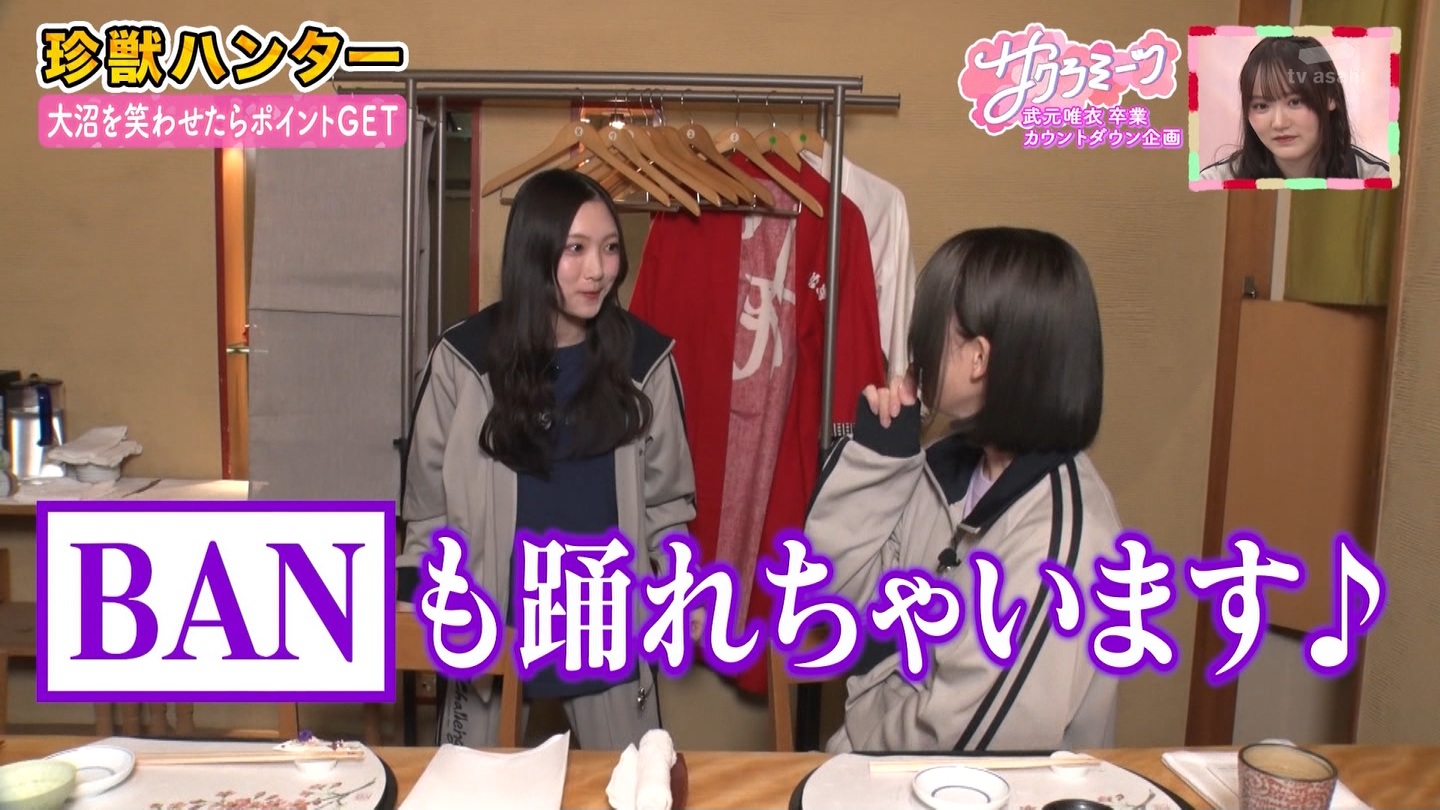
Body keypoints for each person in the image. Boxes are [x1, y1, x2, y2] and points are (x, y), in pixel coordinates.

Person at [396, 168, 697, 749]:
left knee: (629, 784)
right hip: (491, 625)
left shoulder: (646, 360)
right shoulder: (464, 358)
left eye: (610, 248)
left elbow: (667, 507)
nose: (598, 270)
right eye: (575, 249)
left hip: (606, 623)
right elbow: (427, 511)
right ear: (533, 253)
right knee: (475, 787)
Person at [804, 226, 1122, 753]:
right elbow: (832, 599)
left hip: (942, 782)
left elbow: (957, 747)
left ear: (978, 358)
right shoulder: (945, 466)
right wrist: (881, 459)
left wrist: (846, 755)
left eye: (932, 329)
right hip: (873, 771)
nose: (917, 347)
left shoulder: (1062, 547)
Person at [1200, 36, 1389, 180]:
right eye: (1261, 106)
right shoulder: (1215, 179)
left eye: (1295, 102)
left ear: (1330, 98)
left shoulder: (1376, 176)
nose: (1279, 123)